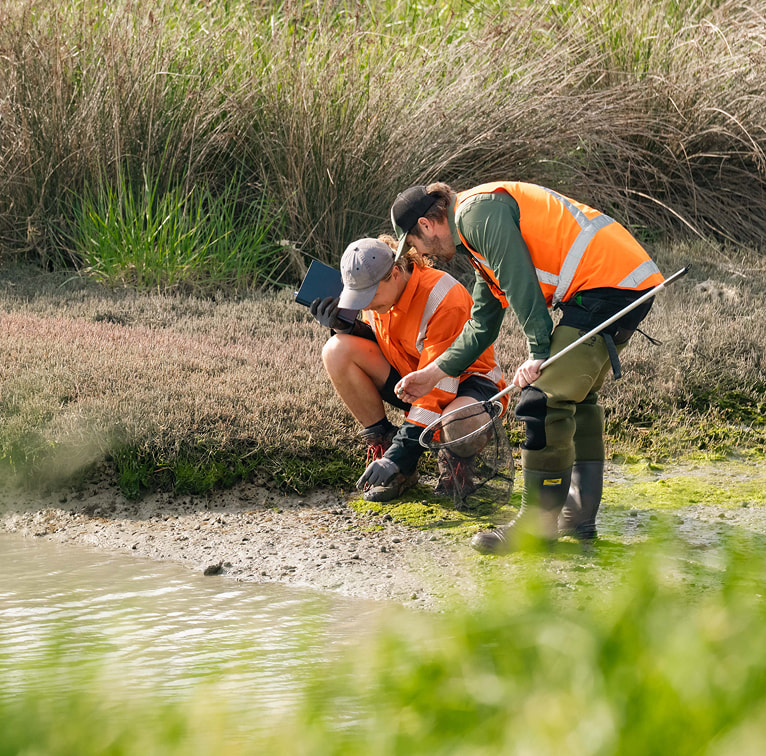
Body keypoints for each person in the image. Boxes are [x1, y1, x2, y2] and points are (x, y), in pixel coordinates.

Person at [389, 181, 664, 552]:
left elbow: (521, 282)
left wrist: (538, 352)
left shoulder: (476, 214)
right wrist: (434, 373)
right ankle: (578, 518)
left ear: (426, 225)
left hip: (608, 283)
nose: (422, 254)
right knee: (577, 399)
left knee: (542, 401)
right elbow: (482, 325)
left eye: (413, 244)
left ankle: (538, 526)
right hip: (620, 281)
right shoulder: (475, 239)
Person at [309, 235, 508, 503]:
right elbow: (390, 343)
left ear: (395, 272)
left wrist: (396, 458)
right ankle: (386, 443)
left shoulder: (443, 297)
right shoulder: (382, 294)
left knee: (459, 425)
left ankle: (455, 463)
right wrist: (345, 327)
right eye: (359, 298)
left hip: (467, 384)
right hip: (415, 379)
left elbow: (438, 386)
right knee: (337, 348)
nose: (365, 306)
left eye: (369, 296)